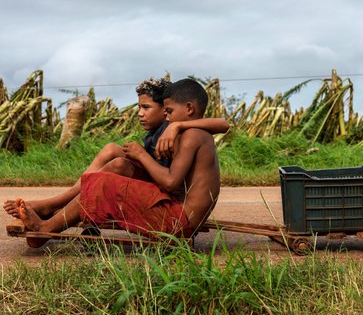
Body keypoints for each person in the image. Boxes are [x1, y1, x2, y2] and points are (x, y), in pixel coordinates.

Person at [13, 78, 229, 247]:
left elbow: (171, 182)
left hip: (178, 224)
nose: (167, 117)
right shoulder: (194, 132)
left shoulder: (192, 135)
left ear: (189, 109)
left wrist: (142, 154)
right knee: (107, 176)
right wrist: (175, 127)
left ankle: (47, 227)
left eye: (169, 112)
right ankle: (52, 220)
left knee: (104, 183)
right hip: (180, 217)